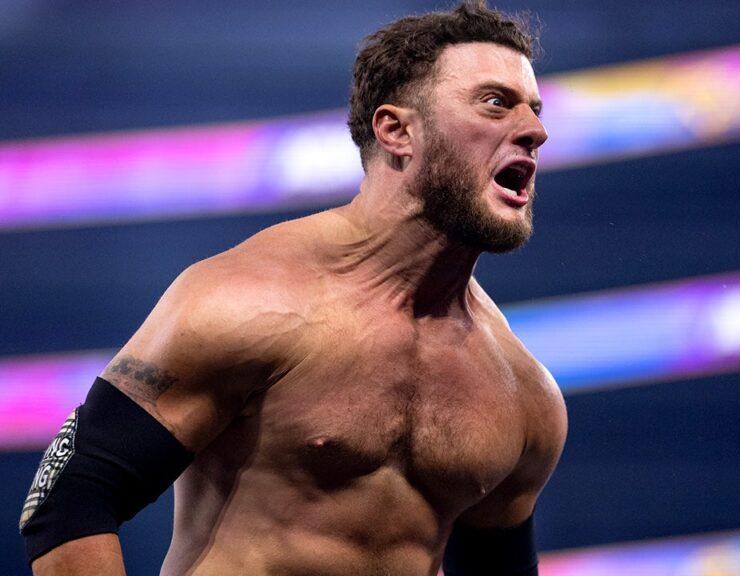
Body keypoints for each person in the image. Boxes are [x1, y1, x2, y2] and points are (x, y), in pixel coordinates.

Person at [19, 2, 567, 574]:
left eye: (534, 109)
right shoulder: (246, 301)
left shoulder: (523, 393)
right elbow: (66, 501)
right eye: (496, 102)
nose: (535, 131)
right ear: (397, 131)